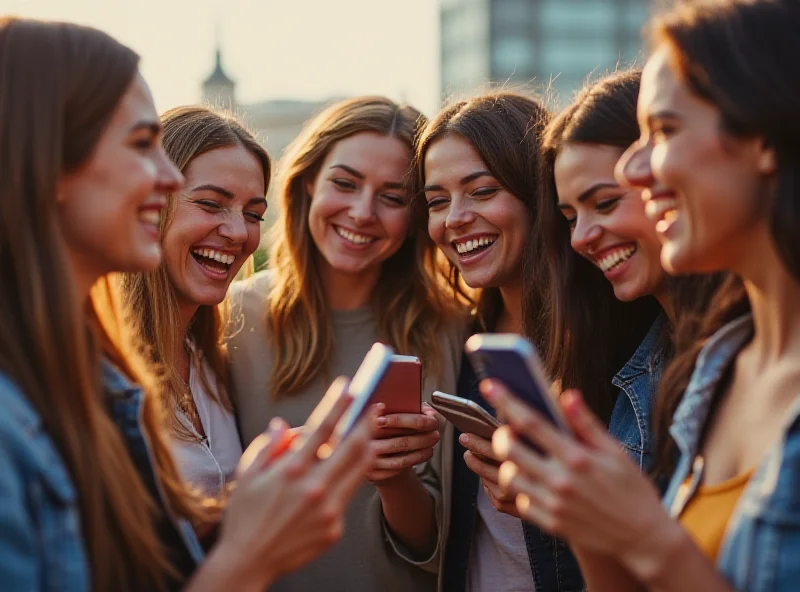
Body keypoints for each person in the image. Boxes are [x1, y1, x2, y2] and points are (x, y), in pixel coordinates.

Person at [0, 17, 375, 592]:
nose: (165, 178)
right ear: (48, 157)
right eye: (140, 145)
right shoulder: (23, 409)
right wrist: (248, 557)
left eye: (253, 212)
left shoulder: (141, 368)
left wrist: (249, 509)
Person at [488, 0, 800, 590]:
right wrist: (588, 523)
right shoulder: (716, 367)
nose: (635, 167)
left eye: (664, 130)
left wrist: (645, 538)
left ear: (764, 134)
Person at [227, 96, 465, 591]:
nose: (362, 213)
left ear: (416, 215)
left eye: (393, 197)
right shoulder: (231, 317)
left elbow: (435, 548)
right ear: (309, 182)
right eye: (345, 183)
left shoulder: (450, 329)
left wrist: (393, 477)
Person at [416, 91, 564, 591]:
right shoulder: (464, 338)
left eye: (481, 191)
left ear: (536, 191)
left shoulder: (614, 342)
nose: (454, 218)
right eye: (438, 201)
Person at [121, 106, 269, 497]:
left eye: (254, 214)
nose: (238, 232)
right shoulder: (97, 365)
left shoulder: (213, 362)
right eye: (209, 204)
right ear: (150, 203)